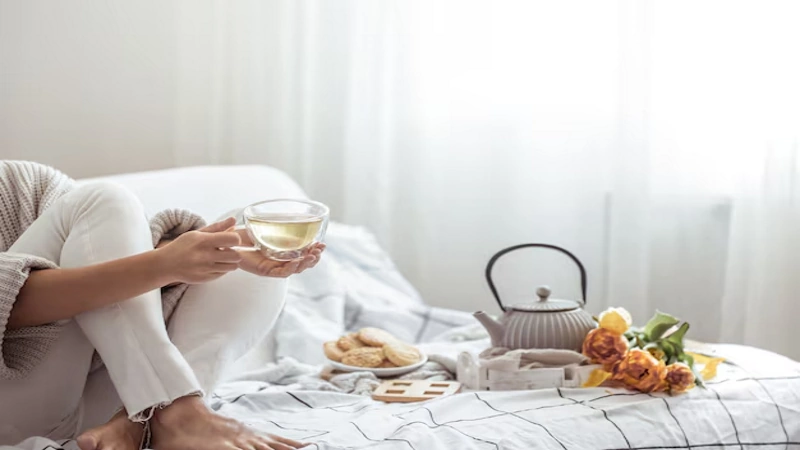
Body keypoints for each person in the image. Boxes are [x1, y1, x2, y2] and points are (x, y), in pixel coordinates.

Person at [0, 160, 325, 450]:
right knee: (105, 198)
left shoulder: (25, 181)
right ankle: (177, 408)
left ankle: (144, 420)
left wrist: (197, 255)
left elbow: (97, 248)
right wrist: (162, 265)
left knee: (244, 235)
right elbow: (14, 304)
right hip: (14, 414)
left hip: (101, 400)